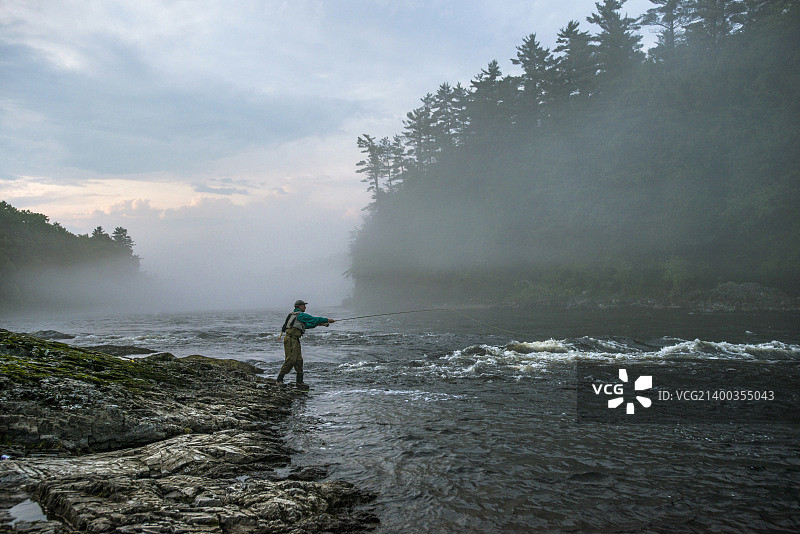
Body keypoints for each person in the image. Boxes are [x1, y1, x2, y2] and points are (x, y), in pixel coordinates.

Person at [277, 299, 335, 388]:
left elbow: (306, 325)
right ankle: (279, 380)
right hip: (291, 339)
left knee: (299, 360)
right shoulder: (300, 315)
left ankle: (299, 382)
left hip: (295, 340)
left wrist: (321, 324)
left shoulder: (294, 315)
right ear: (300, 306)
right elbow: (313, 319)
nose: (305, 307)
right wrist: (327, 320)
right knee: (291, 360)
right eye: (304, 305)